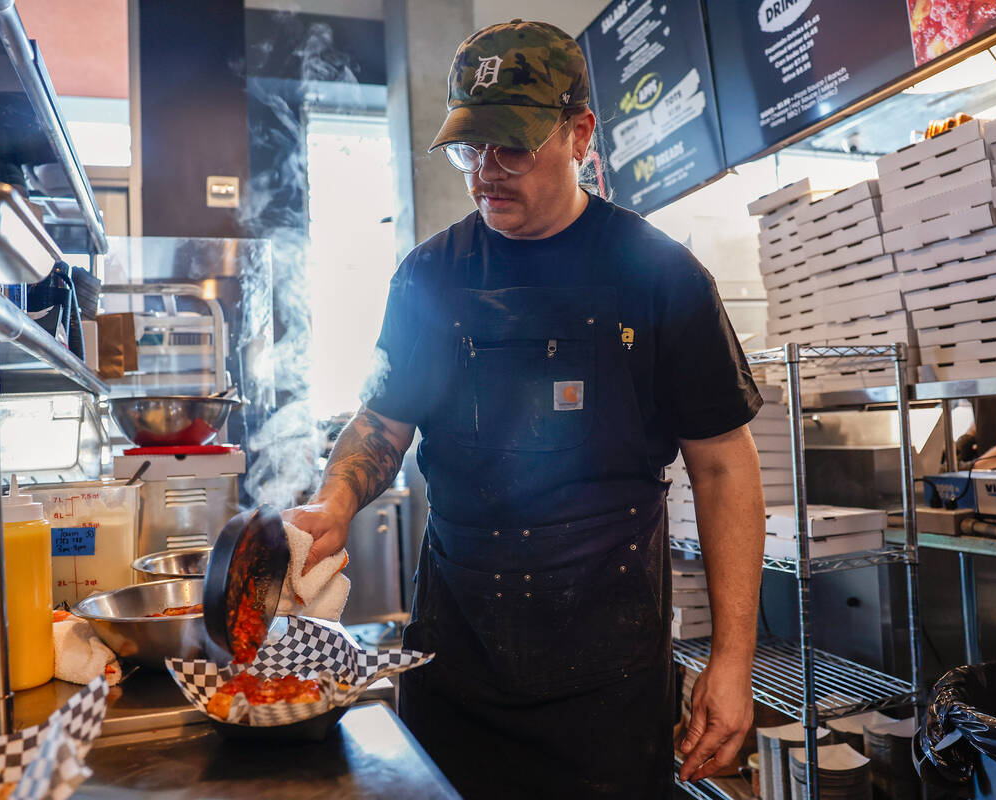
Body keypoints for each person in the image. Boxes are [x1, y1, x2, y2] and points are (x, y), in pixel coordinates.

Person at [283, 20, 766, 798]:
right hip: (453, 660)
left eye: (511, 145)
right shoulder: (428, 277)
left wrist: (732, 661)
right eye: (470, 147)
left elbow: (723, 468)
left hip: (607, 678)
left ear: (579, 133)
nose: (485, 173)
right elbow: (382, 422)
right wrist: (335, 499)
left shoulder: (661, 276)